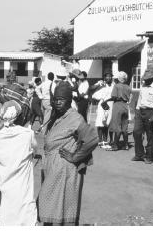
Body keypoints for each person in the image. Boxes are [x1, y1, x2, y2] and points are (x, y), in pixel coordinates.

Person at [38, 81, 98, 226]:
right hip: (52, 168)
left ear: (69, 101)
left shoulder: (75, 118)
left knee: (62, 206)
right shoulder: (54, 115)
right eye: (55, 99)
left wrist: (75, 156)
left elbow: (92, 139)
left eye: (62, 99)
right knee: (51, 206)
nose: (58, 102)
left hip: (65, 170)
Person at [0, 100, 37, 225]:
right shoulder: (28, 134)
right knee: (25, 217)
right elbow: (34, 149)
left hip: (2, 186)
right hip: (22, 190)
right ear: (20, 116)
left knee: (4, 216)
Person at [133, 69, 153, 164]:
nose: (145, 81)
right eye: (144, 79)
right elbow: (140, 99)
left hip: (151, 112)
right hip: (140, 111)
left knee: (150, 134)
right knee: (136, 132)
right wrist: (137, 111)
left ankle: (149, 155)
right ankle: (139, 154)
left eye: (147, 79)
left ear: (152, 79)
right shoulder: (143, 85)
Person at [107, 71, 132, 151]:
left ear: (119, 78)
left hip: (117, 106)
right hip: (125, 106)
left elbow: (114, 97)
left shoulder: (116, 86)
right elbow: (129, 98)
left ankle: (115, 145)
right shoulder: (128, 87)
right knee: (125, 127)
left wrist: (106, 101)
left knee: (117, 126)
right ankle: (126, 145)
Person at [92, 73, 114, 148]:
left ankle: (105, 141)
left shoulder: (113, 86)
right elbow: (94, 95)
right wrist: (102, 98)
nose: (109, 78)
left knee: (106, 123)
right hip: (102, 105)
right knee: (100, 123)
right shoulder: (101, 86)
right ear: (104, 78)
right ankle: (100, 141)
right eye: (107, 77)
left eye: (110, 76)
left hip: (110, 106)